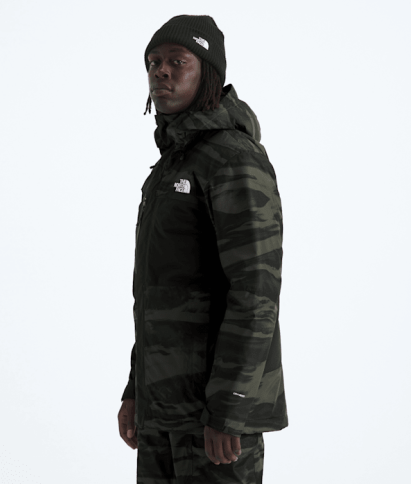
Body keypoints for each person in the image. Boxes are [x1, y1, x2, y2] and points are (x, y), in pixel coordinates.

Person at [117, 14, 288, 484]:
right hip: (164, 410)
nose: (160, 71)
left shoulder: (234, 158)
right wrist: (136, 389)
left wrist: (230, 405)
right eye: (153, 62)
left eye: (177, 61)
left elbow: (256, 291)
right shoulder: (171, 167)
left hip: (216, 418)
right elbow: (158, 294)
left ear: (208, 73)